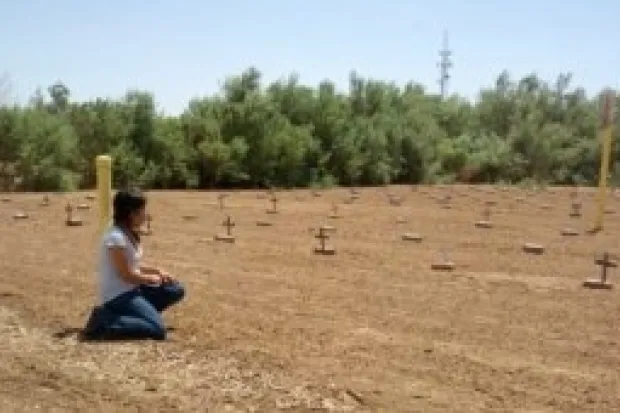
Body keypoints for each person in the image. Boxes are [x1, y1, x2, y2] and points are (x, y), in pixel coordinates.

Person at [81, 188, 185, 341]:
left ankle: (141, 315)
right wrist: (150, 279)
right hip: (119, 295)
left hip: (133, 289)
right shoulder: (115, 237)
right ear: (131, 213)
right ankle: (104, 320)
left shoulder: (127, 232)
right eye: (142, 210)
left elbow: (134, 265)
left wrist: (158, 271)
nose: (145, 214)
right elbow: (126, 274)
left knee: (175, 289)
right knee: (157, 330)